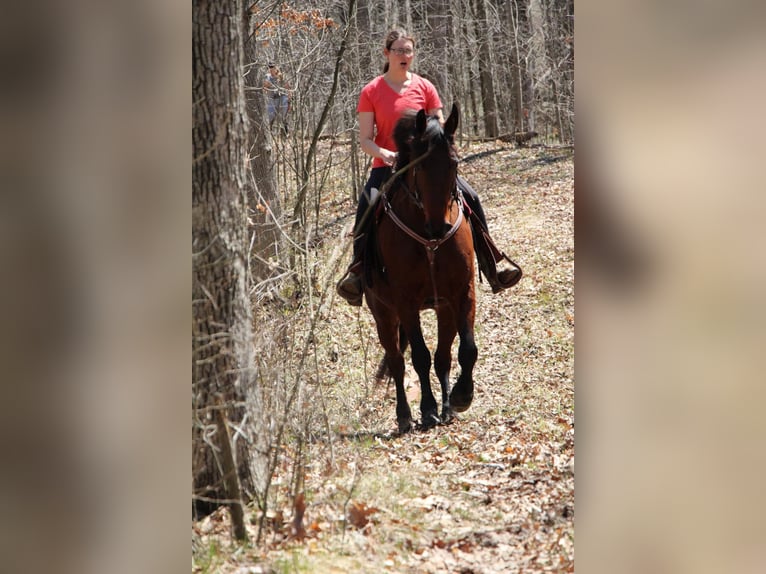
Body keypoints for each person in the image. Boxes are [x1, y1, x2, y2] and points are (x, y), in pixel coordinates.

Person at [336, 29, 521, 306]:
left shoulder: (425, 87)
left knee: (471, 196)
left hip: (428, 168)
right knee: (366, 204)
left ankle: (492, 261)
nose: (404, 56)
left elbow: (441, 127)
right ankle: (358, 271)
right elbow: (364, 139)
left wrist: (444, 146)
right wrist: (385, 153)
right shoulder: (371, 91)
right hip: (389, 166)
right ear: (387, 54)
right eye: (398, 50)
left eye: (408, 50)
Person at [264, 63, 290, 134]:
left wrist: (289, 99)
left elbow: (287, 88)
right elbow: (265, 87)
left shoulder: (282, 76)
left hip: (282, 98)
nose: (271, 68)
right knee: (270, 117)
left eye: (273, 67)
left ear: (276, 68)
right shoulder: (267, 77)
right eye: (270, 67)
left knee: (283, 117)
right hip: (272, 99)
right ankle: (270, 134)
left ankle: (285, 135)